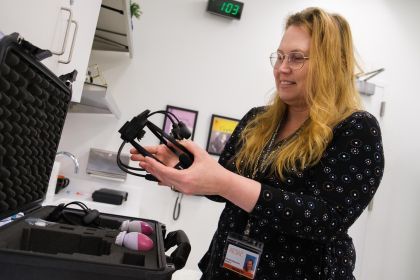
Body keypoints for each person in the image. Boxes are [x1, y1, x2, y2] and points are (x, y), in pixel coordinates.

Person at [130, 7, 384, 280]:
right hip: (226, 269)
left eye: (296, 58)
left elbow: (326, 220)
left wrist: (222, 182)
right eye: (280, 56)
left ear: (331, 63)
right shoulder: (258, 120)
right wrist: (186, 164)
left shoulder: (355, 128)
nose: (282, 68)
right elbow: (225, 187)